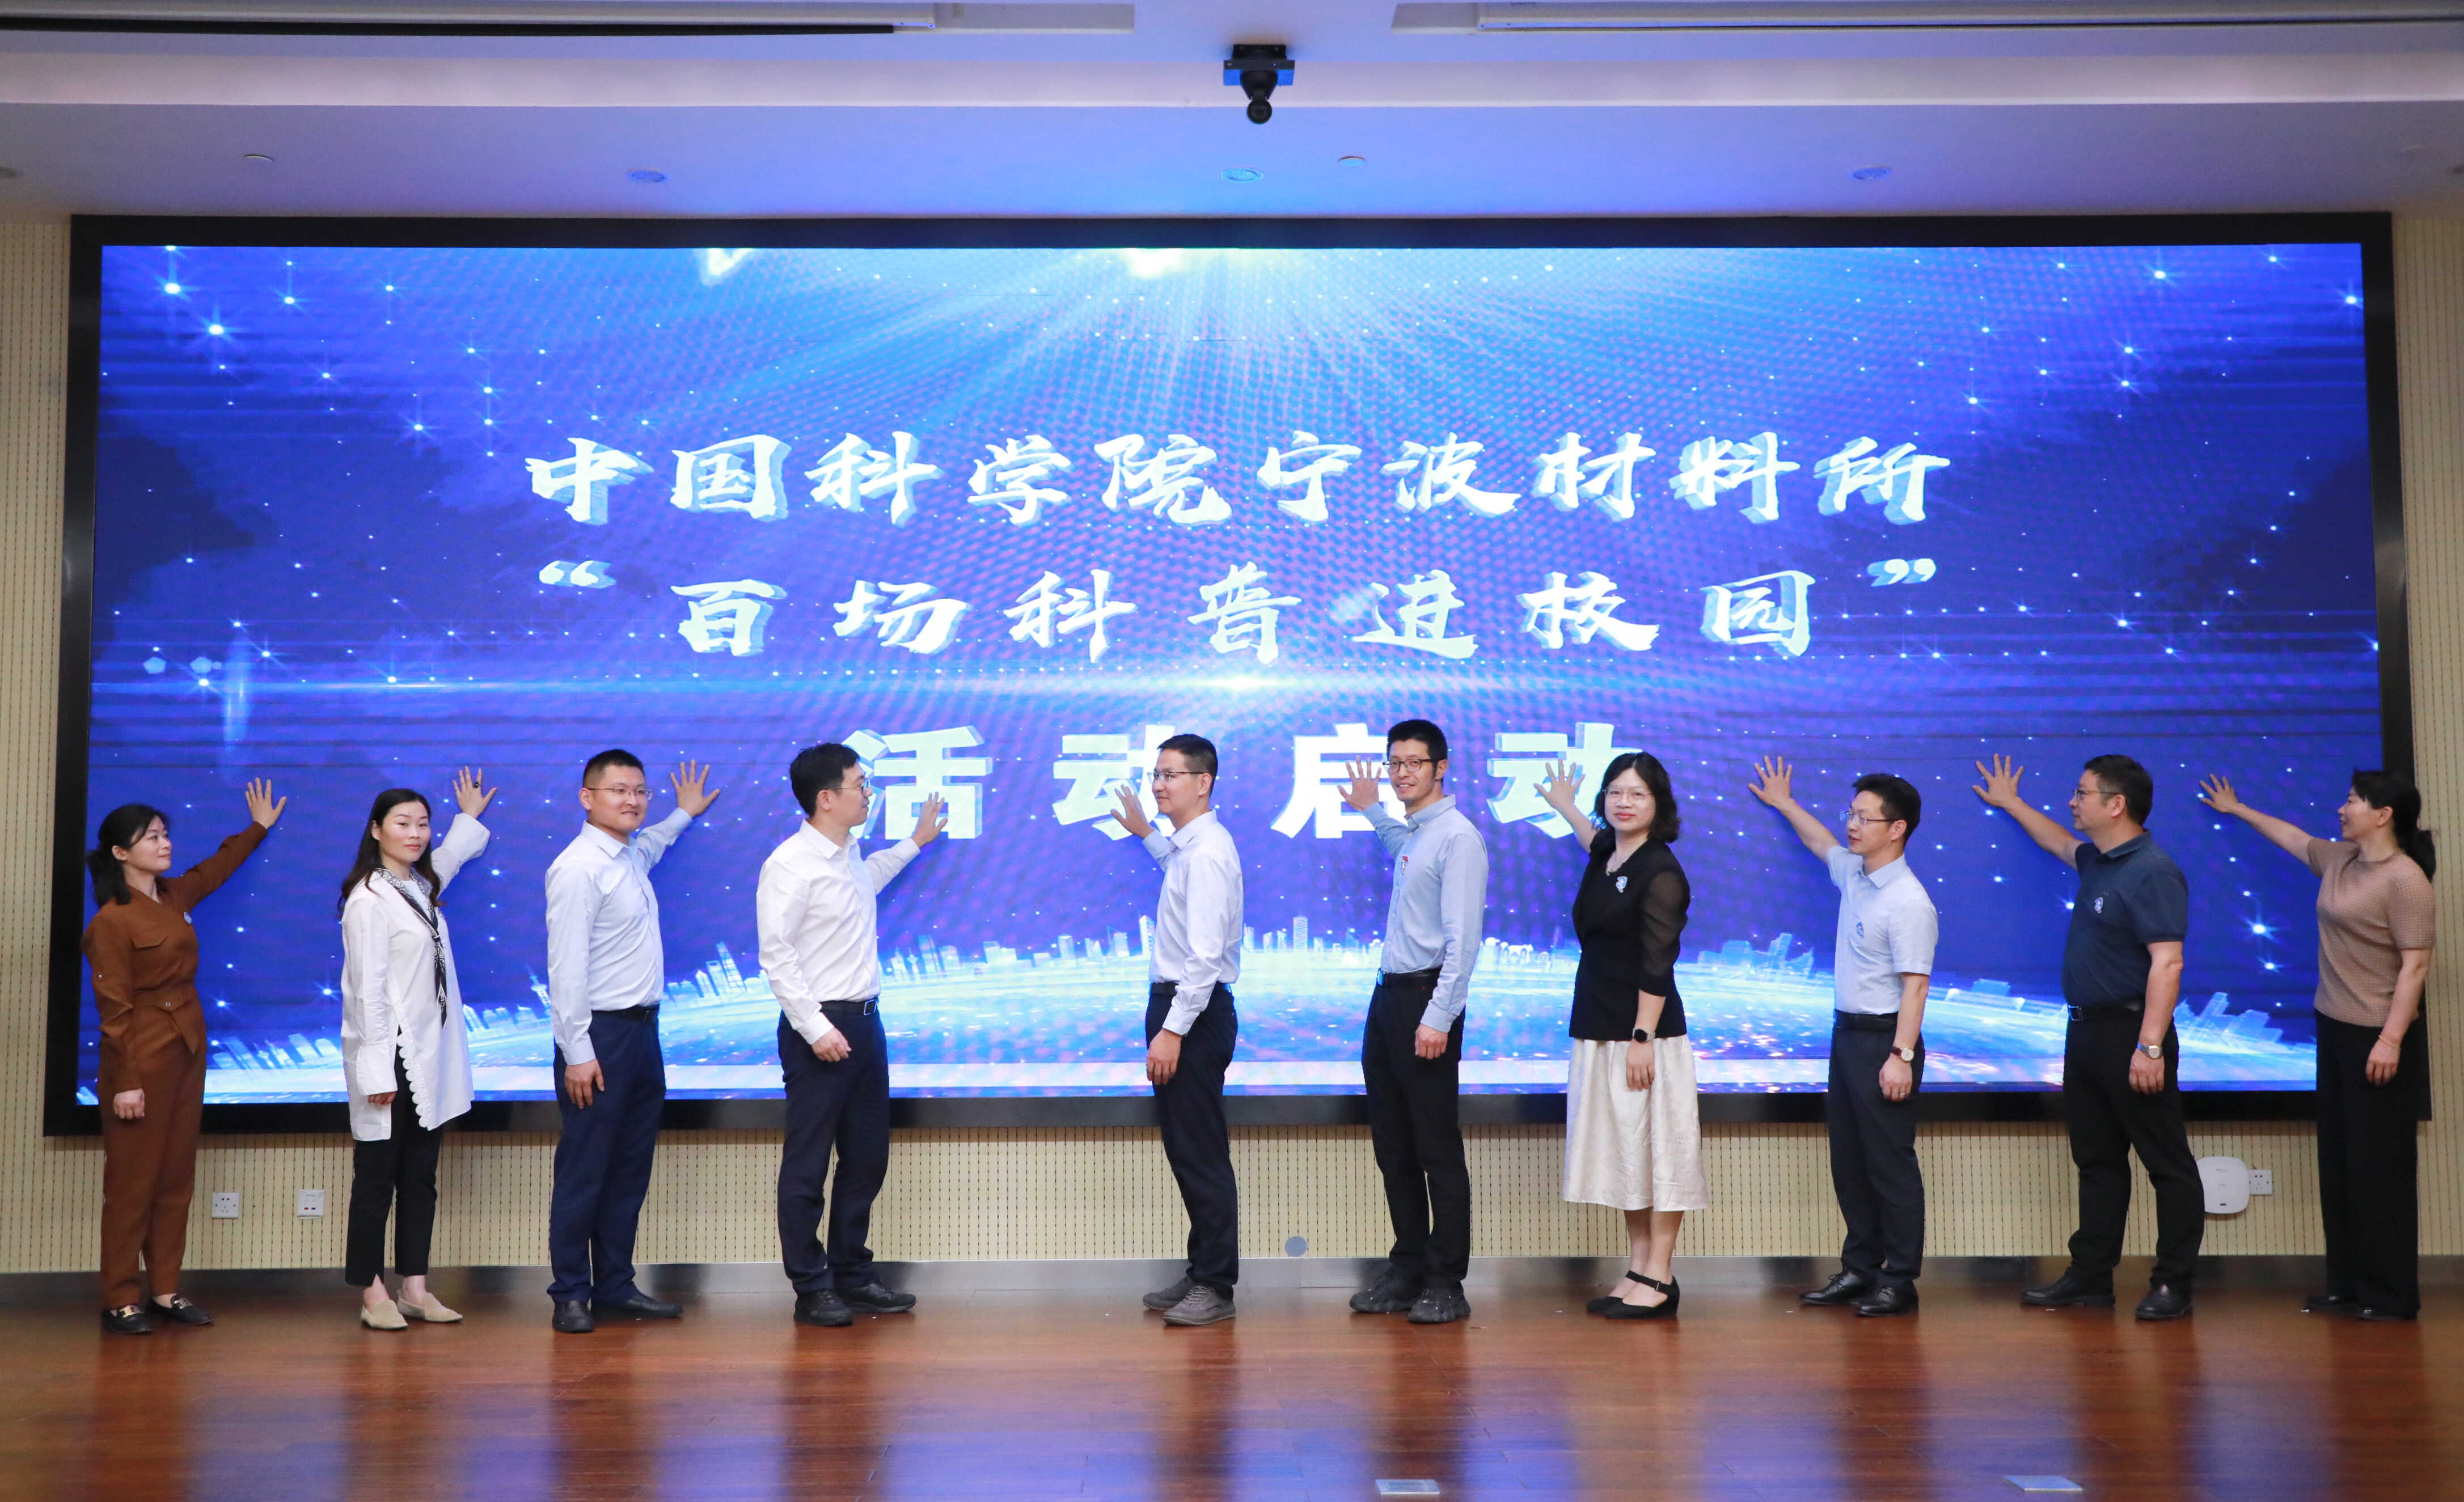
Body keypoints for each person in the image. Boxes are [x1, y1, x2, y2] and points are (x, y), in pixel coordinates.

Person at [2200, 769, 2434, 1321]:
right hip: (2333, 1028)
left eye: (2351, 801)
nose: (2341, 808)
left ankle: (2390, 1296)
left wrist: (2390, 1040)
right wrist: (2237, 808)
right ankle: (2347, 1285)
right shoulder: (2341, 861)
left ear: (2382, 815)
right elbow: (2293, 838)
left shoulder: (2405, 881)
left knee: (2379, 1169)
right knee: (2340, 1163)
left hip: (2378, 1037)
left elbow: (2415, 967)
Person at [1974, 753, 2201, 1321]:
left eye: (2081, 794)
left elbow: (2168, 963)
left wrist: (2150, 1046)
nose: (2071, 803)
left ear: (2116, 804)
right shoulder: (2100, 861)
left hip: (2133, 1033)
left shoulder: (2152, 870)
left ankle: (2172, 1284)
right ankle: (2091, 1277)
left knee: (2166, 1163)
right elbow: (2057, 842)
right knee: (2097, 1161)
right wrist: (2011, 802)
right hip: (2086, 1032)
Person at [84, 778, 286, 1335]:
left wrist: (257, 828)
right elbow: (114, 1010)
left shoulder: (173, 896)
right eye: (151, 837)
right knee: (133, 1183)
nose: (164, 843)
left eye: (165, 833)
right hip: (140, 1056)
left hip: (187, 1049)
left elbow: (216, 869)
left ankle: (166, 1289)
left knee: (175, 1177)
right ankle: (120, 1297)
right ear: (120, 852)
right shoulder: (111, 920)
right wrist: (126, 1081)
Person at [758, 743, 946, 1329]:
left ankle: (852, 1275)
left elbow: (868, 881)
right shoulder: (790, 864)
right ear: (826, 798)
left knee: (866, 1157)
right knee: (809, 1164)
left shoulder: (848, 854)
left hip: (866, 1024)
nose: (868, 793)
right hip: (818, 1028)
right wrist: (816, 1027)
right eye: (860, 785)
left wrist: (914, 842)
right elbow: (776, 957)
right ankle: (810, 1286)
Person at [1749, 760, 1938, 1318]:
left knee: (1889, 1165)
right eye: (1851, 814)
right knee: (1850, 1162)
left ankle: (1899, 1280)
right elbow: (1820, 843)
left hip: (1885, 1040)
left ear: (1897, 828)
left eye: (1864, 817)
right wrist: (1784, 802)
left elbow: (1916, 986)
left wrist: (1900, 1056)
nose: (1851, 825)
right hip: (1847, 1036)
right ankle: (1861, 1268)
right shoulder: (1856, 873)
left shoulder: (1908, 900)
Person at [543, 750, 720, 1334]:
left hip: (643, 1033)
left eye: (640, 791)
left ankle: (615, 1286)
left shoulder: (628, 857)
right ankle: (571, 1293)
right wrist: (577, 1052)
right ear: (587, 797)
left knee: (628, 1169)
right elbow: (565, 968)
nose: (633, 800)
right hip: (599, 1037)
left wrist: (683, 813)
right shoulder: (578, 868)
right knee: (586, 1168)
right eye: (619, 790)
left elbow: (654, 843)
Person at [1537, 752, 1706, 1320]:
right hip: (1599, 1024)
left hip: (1644, 1035)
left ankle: (1660, 1274)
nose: (1623, 802)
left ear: (1659, 803)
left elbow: (1658, 963)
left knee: (1659, 1153)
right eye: (1615, 792)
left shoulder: (1661, 871)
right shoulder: (1609, 852)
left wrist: (1642, 1036)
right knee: (1627, 1154)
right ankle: (1637, 1268)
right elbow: (1592, 838)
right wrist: (1566, 807)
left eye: (1637, 793)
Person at [1339, 720, 1489, 1326]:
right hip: (1388, 1001)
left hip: (1426, 1003)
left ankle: (1446, 1280)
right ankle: (1406, 1267)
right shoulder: (1417, 835)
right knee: (1393, 1146)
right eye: (1394, 763)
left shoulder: (1458, 838)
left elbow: (1463, 941)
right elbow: (1398, 844)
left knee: (1435, 1147)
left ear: (1441, 767)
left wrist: (1438, 1017)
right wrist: (1371, 809)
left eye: (1414, 763)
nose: (1402, 773)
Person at [337, 770, 495, 1331]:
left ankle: (415, 1287)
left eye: (423, 824)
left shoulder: (417, 887)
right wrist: (377, 1069)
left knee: (420, 1176)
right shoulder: (368, 899)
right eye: (402, 823)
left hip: (427, 1059)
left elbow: (445, 861)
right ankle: (372, 1291)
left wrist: (466, 819)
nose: (415, 833)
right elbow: (366, 992)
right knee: (376, 1177)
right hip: (390, 1058)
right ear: (376, 830)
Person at [1107, 733, 1242, 1327]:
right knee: (1187, 1149)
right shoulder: (1192, 848)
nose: (1159, 785)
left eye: (1170, 775)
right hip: (1183, 1010)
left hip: (1193, 1013)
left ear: (1203, 782)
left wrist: (1172, 1030)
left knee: (1201, 1153)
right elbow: (1178, 874)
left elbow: (1205, 959)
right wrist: (1146, 832)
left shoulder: (1208, 853)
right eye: (1156, 774)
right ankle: (1201, 1270)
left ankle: (1216, 1284)